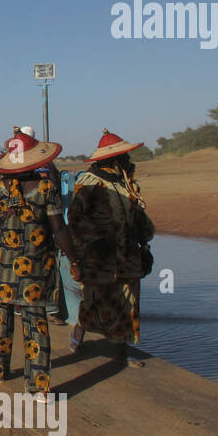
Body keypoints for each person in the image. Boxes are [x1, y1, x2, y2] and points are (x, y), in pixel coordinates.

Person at [0, 131, 80, 400]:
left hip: (4, 262)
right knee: (36, 322)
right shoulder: (47, 188)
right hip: (37, 263)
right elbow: (59, 229)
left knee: (1, 317)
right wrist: (74, 260)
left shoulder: (2, 188)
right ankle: (38, 386)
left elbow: (0, 219)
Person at [67, 130, 155, 368]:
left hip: (127, 254)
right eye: (123, 156)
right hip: (99, 256)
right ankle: (79, 334)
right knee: (94, 299)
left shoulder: (126, 182)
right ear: (111, 159)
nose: (128, 160)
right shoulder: (89, 182)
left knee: (128, 302)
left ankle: (121, 354)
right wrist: (96, 242)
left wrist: (144, 232)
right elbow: (75, 218)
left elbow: (137, 215)